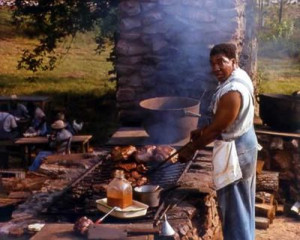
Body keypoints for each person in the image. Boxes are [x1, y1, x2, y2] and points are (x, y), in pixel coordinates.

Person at [179, 43, 258, 240]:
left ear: (233, 61)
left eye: (221, 62)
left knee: (235, 206)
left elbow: (216, 130)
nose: (216, 68)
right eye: (213, 64)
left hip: (238, 149)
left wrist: (190, 148)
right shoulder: (239, 75)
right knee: (243, 202)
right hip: (245, 141)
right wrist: (202, 130)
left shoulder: (233, 91)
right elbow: (222, 123)